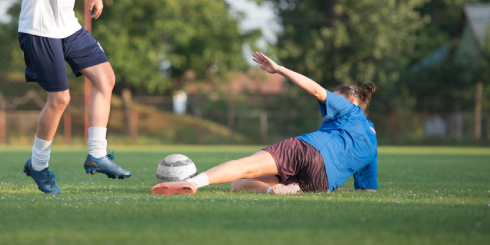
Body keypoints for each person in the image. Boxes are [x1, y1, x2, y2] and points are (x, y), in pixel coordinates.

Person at [13, 0, 131, 195]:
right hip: (39, 30)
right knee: (60, 99)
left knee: (105, 79)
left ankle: (97, 154)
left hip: (68, 28)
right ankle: (37, 165)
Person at [151, 52, 378, 195]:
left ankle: (193, 183)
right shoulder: (372, 142)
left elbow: (317, 90)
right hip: (320, 182)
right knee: (239, 183)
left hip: (310, 150)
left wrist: (279, 69)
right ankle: (275, 190)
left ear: (349, 101)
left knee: (246, 164)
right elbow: (367, 190)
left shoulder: (350, 109)